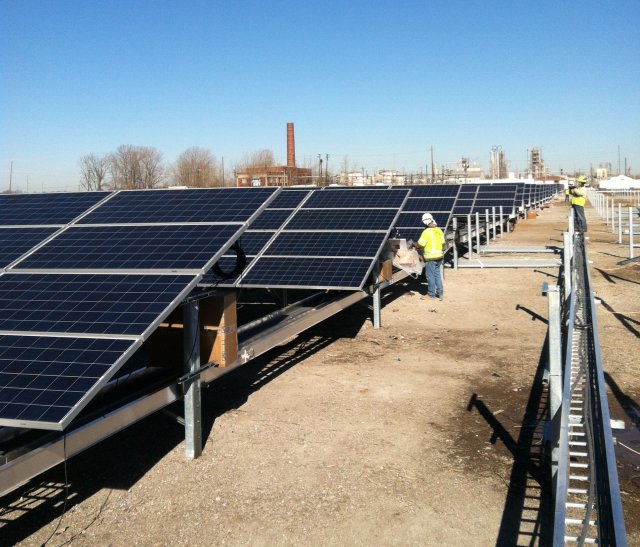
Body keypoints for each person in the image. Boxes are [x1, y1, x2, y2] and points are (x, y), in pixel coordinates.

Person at [416, 213, 445, 300]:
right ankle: (440, 294)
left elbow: (420, 244)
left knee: (430, 276)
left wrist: (414, 244)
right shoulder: (439, 230)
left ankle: (431, 294)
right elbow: (443, 243)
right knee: (437, 275)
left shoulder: (426, 232)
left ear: (425, 222)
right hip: (439, 257)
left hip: (430, 258)